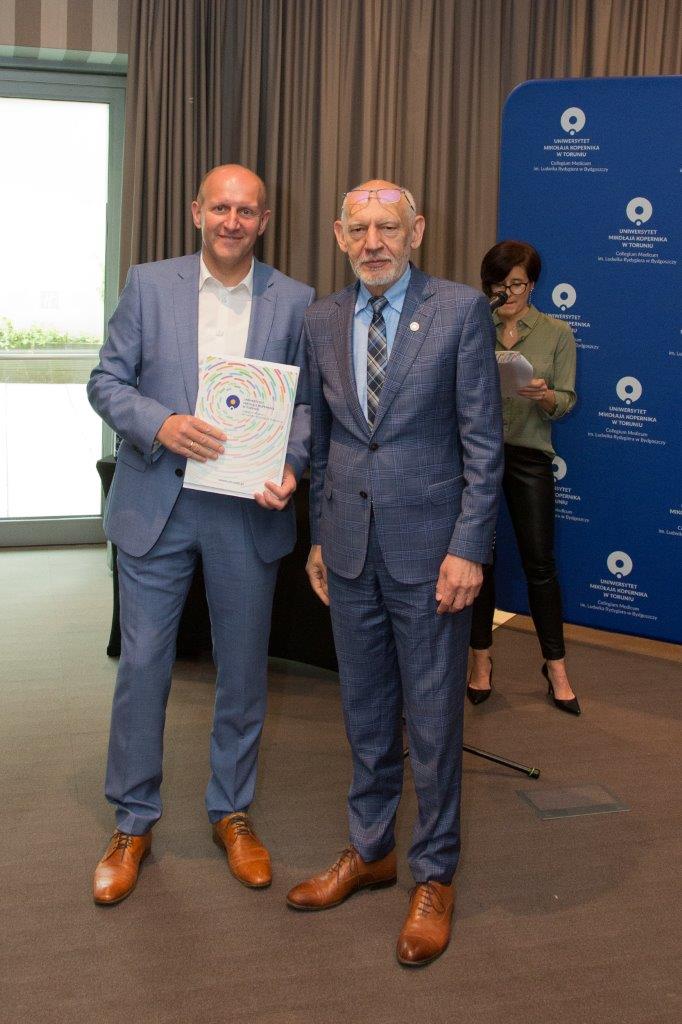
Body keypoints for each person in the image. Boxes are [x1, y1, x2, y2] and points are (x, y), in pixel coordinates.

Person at [286, 180, 503, 966]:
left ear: (417, 231)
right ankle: (372, 850)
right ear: (339, 235)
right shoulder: (321, 320)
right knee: (366, 710)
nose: (373, 242)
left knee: (434, 720)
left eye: (388, 227)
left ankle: (434, 874)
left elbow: (483, 442)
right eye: (359, 229)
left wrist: (469, 546)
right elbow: (325, 442)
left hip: (432, 553)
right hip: (349, 550)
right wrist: (319, 538)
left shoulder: (458, 311)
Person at [87, 164, 314, 904]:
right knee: (144, 667)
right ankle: (133, 821)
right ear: (197, 212)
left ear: (264, 220)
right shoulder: (149, 285)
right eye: (221, 207)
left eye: (246, 211)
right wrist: (161, 423)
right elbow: (105, 382)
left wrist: (290, 464)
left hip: (245, 508)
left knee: (242, 671)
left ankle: (232, 812)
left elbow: (306, 407)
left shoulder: (295, 300)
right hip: (157, 501)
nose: (232, 221)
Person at [467, 240, 579, 714]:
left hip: (529, 458)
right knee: (476, 559)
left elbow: (566, 401)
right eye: (498, 284)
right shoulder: (475, 326)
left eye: (516, 284)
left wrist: (544, 395)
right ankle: (480, 658)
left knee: (540, 563)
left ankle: (556, 666)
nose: (507, 293)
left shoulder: (556, 333)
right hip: (476, 457)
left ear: (532, 285)